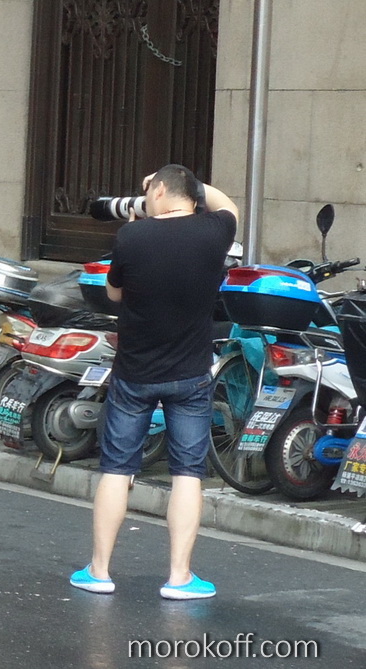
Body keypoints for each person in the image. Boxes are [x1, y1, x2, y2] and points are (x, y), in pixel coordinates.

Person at [69, 164, 238, 600]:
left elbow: (114, 294)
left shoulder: (132, 236)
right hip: (191, 375)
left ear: (159, 190)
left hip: (135, 374)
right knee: (187, 474)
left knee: (117, 469)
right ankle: (179, 577)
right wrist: (193, 186)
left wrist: (138, 220)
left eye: (150, 191)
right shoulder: (215, 232)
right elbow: (227, 205)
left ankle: (99, 571)